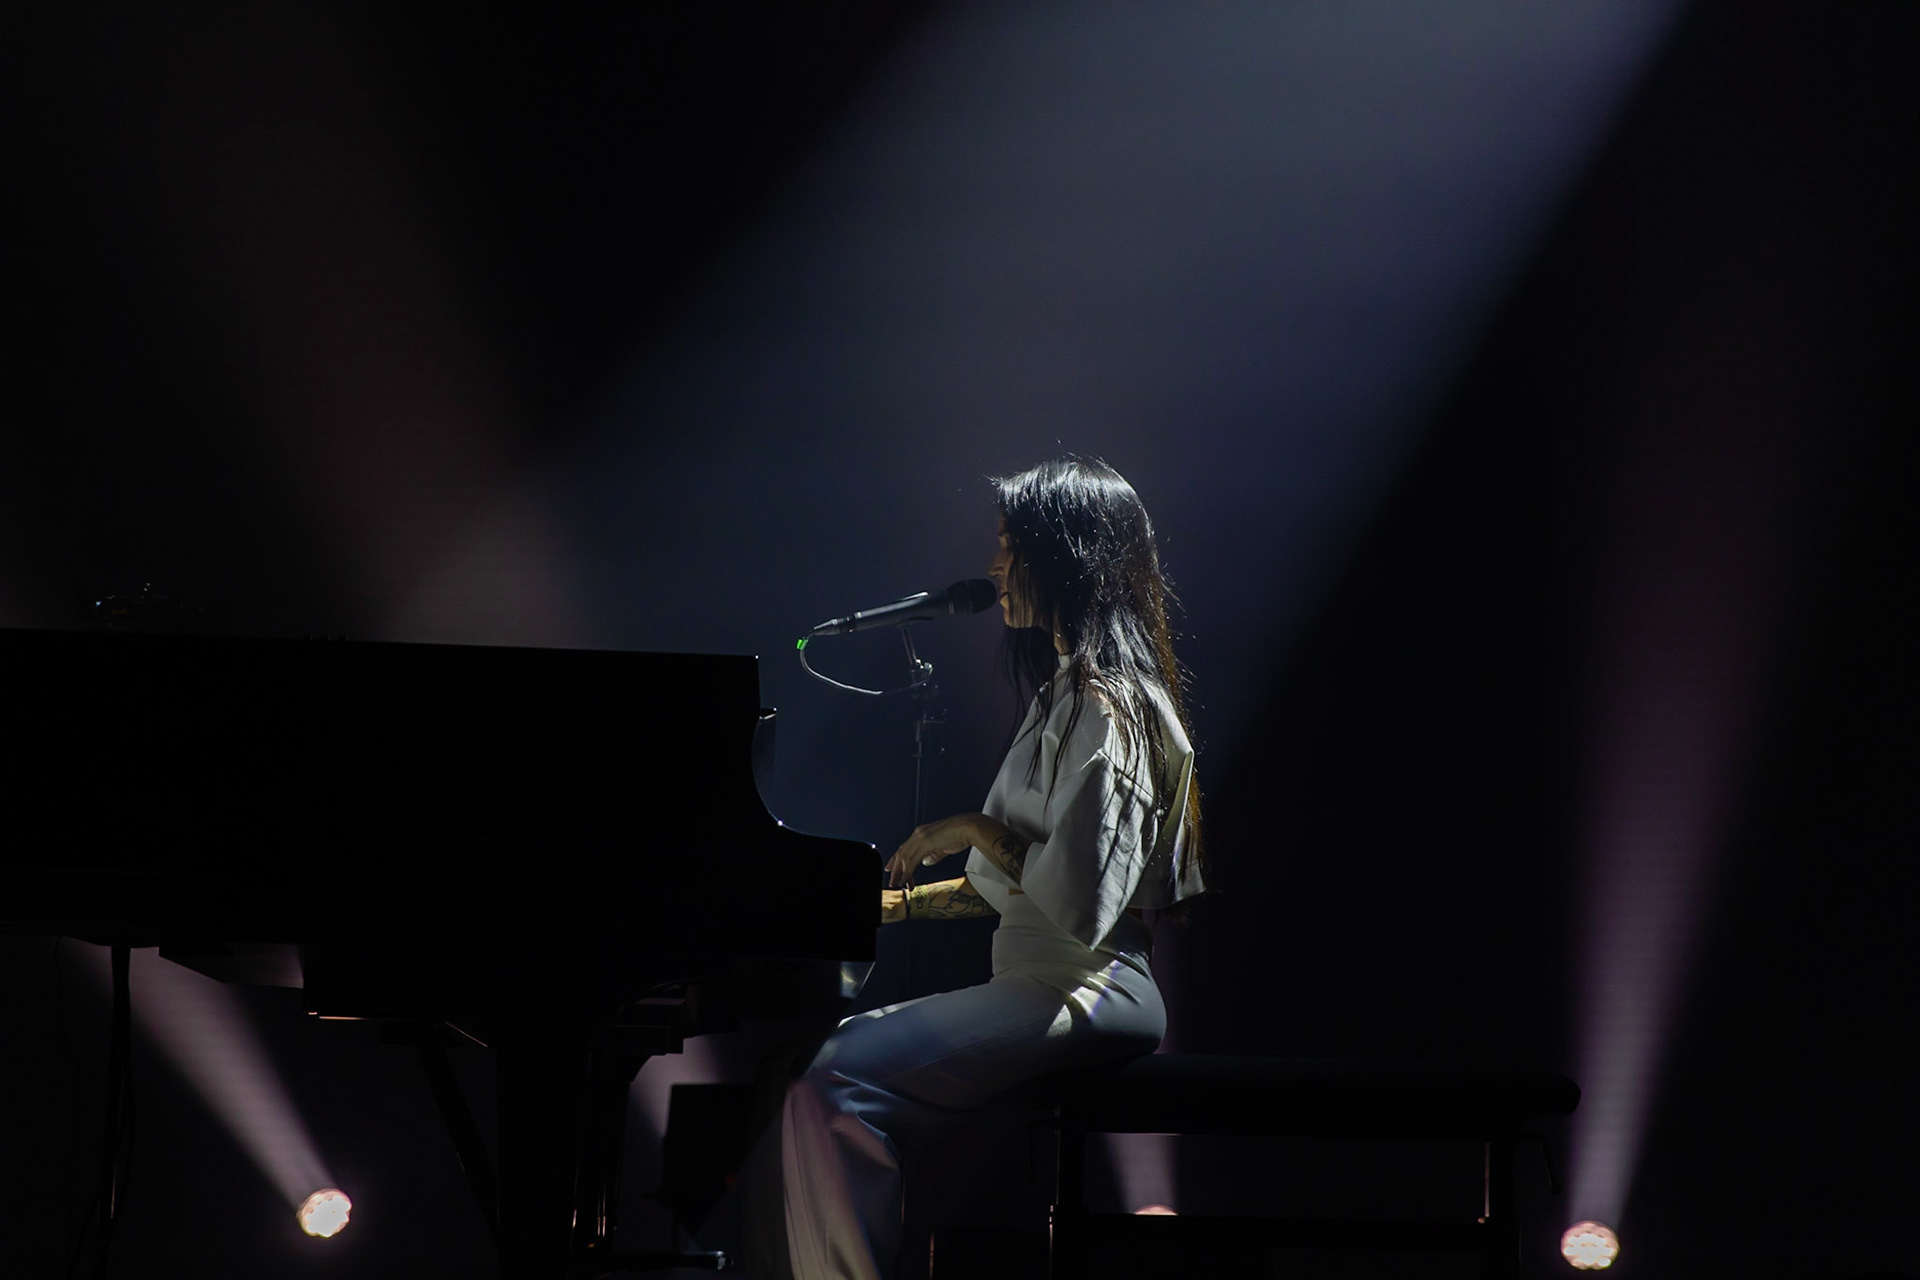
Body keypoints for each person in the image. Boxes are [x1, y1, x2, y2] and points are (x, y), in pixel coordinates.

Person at [769, 456, 1208, 1279]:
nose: (994, 566)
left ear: (1069, 556)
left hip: (1087, 985)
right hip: (1041, 979)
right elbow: (1002, 890)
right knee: (822, 1069)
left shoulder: (1112, 707)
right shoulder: (1064, 699)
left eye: (1012, 545)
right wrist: (877, 907)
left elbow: (1072, 902)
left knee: (836, 1082)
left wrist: (971, 826)